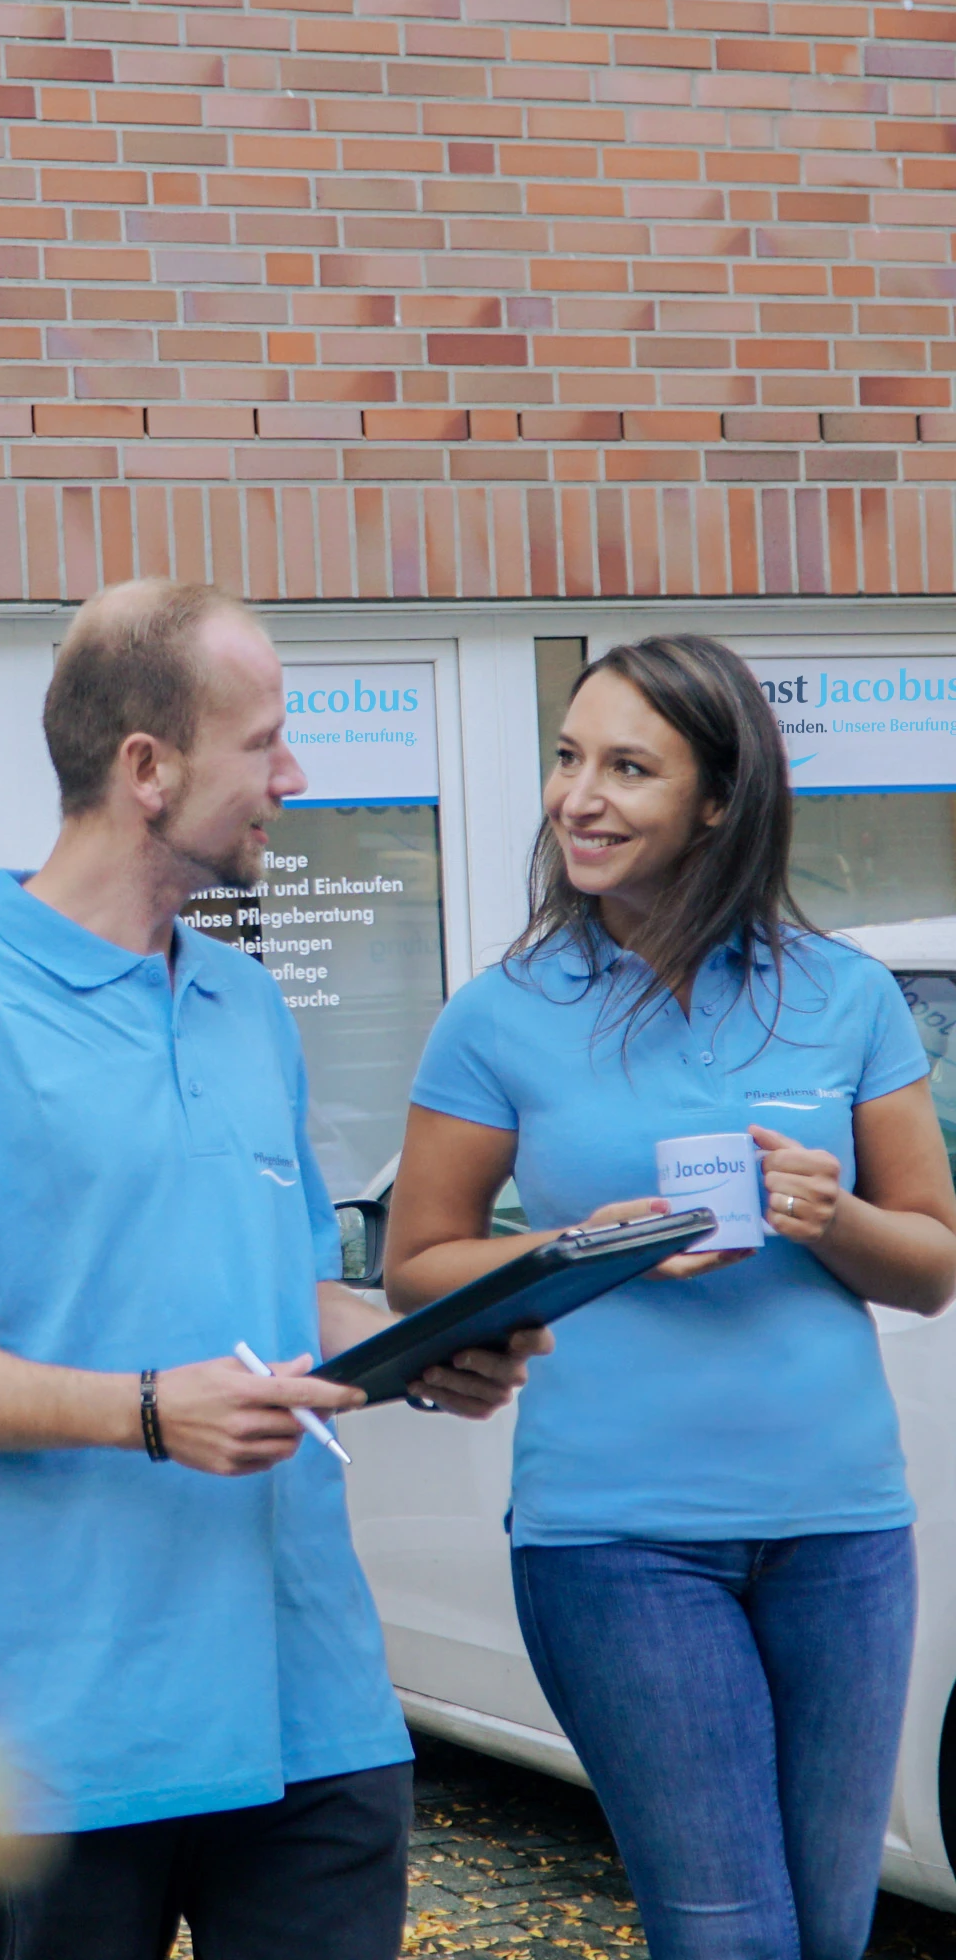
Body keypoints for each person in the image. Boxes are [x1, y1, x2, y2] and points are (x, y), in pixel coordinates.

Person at [0, 578, 549, 1960]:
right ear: (146, 769)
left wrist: (412, 1355)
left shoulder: (245, 1005)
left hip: (313, 1705)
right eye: (264, 741)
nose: (295, 775)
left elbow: (279, 1303)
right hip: (69, 1734)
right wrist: (145, 1412)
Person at [385, 633, 956, 1960]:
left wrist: (837, 1214)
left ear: (718, 799)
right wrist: (585, 1244)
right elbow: (420, 1262)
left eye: (628, 767)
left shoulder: (845, 996)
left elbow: (930, 1264)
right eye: (570, 757)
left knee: (829, 1931)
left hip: (842, 1533)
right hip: (619, 1542)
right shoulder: (502, 1015)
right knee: (731, 1939)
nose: (578, 795)